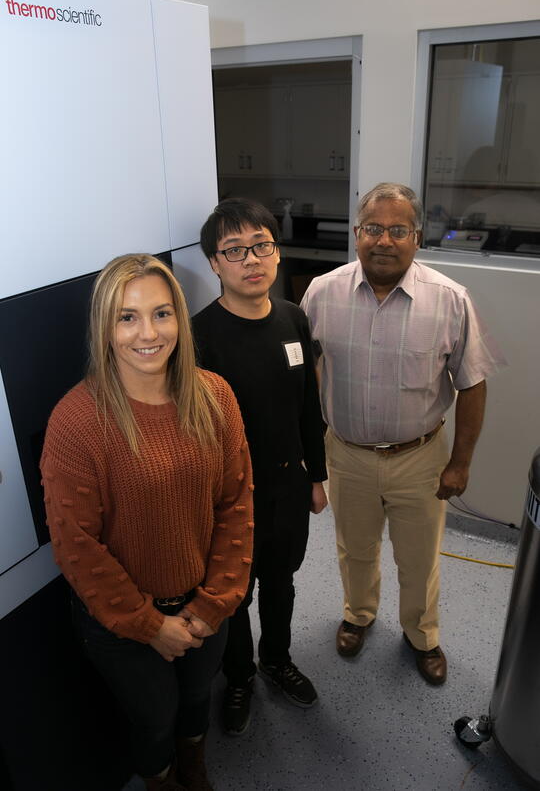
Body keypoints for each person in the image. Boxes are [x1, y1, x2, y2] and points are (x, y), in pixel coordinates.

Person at [40, 253, 253, 791]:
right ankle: (160, 779)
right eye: (127, 317)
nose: (148, 333)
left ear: (180, 318)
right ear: (105, 328)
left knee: (198, 698)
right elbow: (76, 545)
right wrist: (149, 625)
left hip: (205, 604)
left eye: (162, 313)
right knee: (154, 717)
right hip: (125, 622)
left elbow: (236, 506)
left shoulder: (216, 397)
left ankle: (194, 766)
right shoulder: (78, 420)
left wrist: (212, 604)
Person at [301, 183, 506, 686]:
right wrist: (307, 456)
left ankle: (422, 635)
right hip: (345, 452)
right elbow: (301, 375)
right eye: (373, 228)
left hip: (420, 457)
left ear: (417, 238)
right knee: (355, 548)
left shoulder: (449, 299)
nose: (384, 241)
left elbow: (473, 384)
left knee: (419, 558)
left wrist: (460, 463)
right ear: (356, 234)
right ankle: (359, 614)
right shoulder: (321, 293)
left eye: (398, 230)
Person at [192, 198, 328, 736]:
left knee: (281, 580)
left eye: (262, 246)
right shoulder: (200, 336)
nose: (252, 259)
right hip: (229, 496)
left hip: (288, 484)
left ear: (277, 251)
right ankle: (240, 675)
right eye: (235, 250)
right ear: (215, 263)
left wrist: (316, 475)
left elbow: (307, 407)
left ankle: (277, 660)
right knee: (234, 592)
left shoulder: (294, 317)